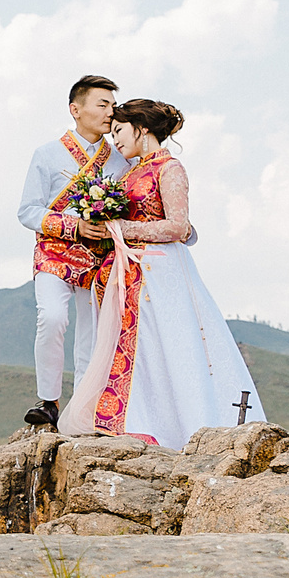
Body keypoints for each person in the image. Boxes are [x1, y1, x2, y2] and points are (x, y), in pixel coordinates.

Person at [59, 97, 261, 450]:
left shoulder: (170, 169)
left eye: (120, 130)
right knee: (141, 353)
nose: (116, 140)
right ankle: (135, 419)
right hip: (130, 273)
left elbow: (179, 227)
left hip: (161, 272)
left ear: (143, 128)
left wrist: (123, 229)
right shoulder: (130, 172)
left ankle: (176, 426)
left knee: (170, 349)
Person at [17, 74, 124, 430]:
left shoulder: (120, 161)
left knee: (92, 335)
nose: (110, 112)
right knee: (51, 318)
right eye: (102, 104)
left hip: (99, 257)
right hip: (55, 253)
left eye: (112, 105)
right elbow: (28, 211)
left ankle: (81, 407)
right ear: (75, 109)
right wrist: (73, 226)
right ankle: (48, 400)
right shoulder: (47, 153)